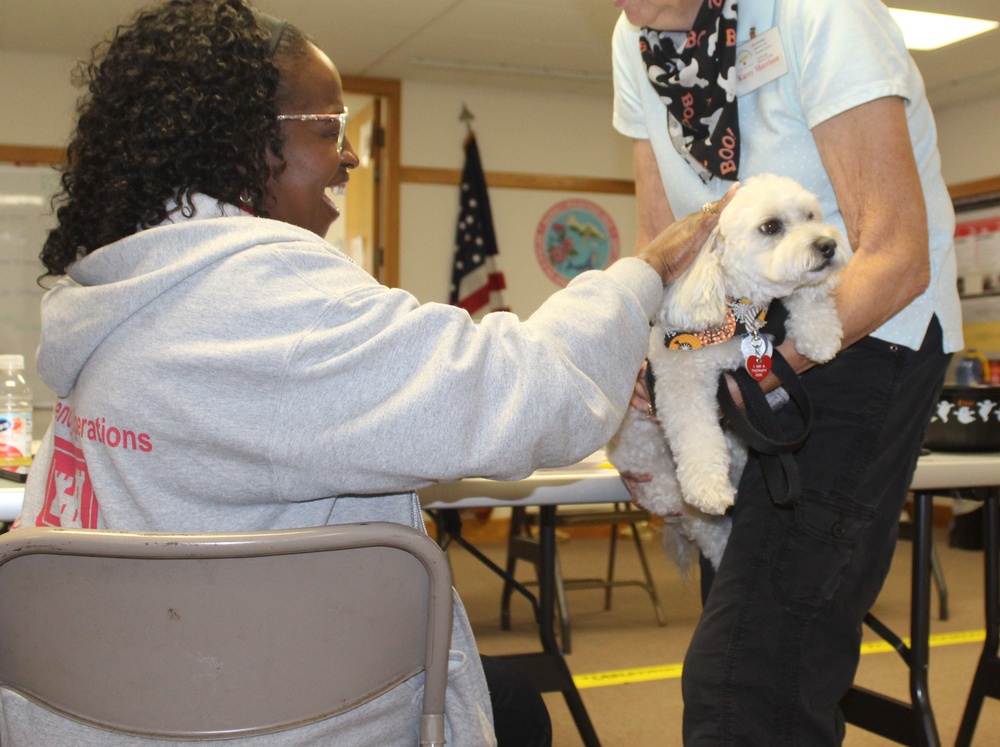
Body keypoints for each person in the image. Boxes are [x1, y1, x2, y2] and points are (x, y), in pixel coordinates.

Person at [7, 1, 728, 745]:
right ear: (247, 147)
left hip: (104, 703)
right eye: (330, 131)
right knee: (513, 708)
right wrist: (639, 276)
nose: (351, 157)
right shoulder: (268, 299)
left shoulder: (113, 294)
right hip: (251, 714)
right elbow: (527, 394)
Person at [610, 0, 962, 744]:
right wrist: (646, 357)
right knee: (751, 636)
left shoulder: (821, 12)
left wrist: (752, 366)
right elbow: (660, 240)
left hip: (862, 330)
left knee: (745, 679)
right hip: (737, 340)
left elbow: (896, 251)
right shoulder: (634, 37)